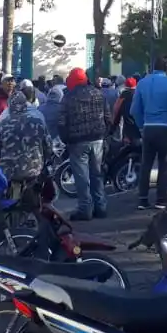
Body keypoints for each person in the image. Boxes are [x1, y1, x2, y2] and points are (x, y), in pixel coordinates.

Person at [131, 57, 167, 210]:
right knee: (165, 164)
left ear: (152, 67)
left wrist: (142, 126)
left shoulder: (142, 83)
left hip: (149, 128)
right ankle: (161, 199)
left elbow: (134, 109)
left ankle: (142, 198)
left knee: (146, 164)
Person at [61, 67, 109, 221]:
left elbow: (61, 122)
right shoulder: (98, 93)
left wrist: (65, 139)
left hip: (77, 141)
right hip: (97, 139)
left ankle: (85, 209)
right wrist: (105, 134)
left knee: (82, 177)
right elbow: (108, 117)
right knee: (97, 174)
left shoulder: (68, 97)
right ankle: (100, 207)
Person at [0, 92, 46, 184]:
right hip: (33, 169)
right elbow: (48, 145)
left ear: (10, 106)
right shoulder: (37, 122)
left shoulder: (3, 123)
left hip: (8, 170)